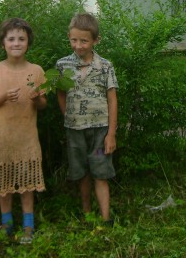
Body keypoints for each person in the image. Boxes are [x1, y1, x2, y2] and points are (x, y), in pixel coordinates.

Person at [0, 17, 47, 245]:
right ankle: (6, 224)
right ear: (3, 43)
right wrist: (4, 97)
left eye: (21, 39)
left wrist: (36, 99)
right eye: (11, 39)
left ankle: (28, 225)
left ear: (28, 43)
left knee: (27, 184)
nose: (16, 43)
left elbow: (44, 104)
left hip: (25, 137)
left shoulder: (36, 71)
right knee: (2, 184)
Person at [56, 12, 118, 225]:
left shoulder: (105, 66)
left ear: (95, 40)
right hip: (75, 131)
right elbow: (60, 92)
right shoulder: (63, 65)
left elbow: (112, 99)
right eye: (74, 40)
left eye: (84, 41)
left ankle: (106, 218)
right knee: (81, 173)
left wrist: (111, 134)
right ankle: (87, 214)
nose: (79, 45)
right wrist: (68, 116)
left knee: (100, 173)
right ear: (69, 37)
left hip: (100, 132)